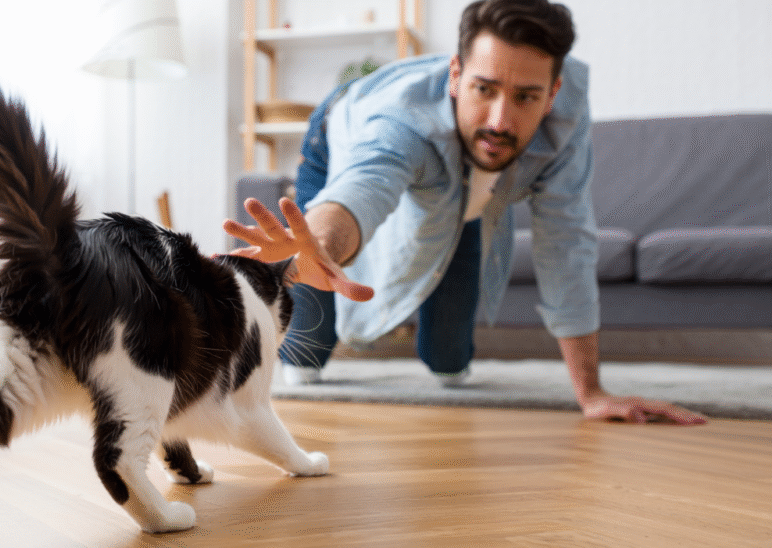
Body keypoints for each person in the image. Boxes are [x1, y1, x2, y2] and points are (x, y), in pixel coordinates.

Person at [225, 0, 707, 425]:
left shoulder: (567, 117)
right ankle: (310, 343)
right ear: (455, 75)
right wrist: (321, 244)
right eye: (484, 89)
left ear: (553, 93)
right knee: (307, 358)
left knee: (451, 363)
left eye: (525, 97)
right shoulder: (400, 124)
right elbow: (362, 189)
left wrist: (592, 393)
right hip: (339, 133)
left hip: (470, 188)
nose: (501, 121)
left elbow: (567, 243)